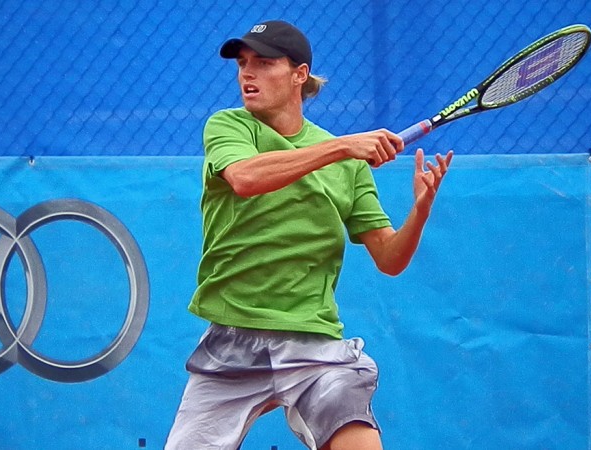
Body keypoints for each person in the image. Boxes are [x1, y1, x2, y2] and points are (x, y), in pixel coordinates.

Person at [165, 19, 453, 450]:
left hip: (312, 343)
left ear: (299, 74)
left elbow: (389, 259)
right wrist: (341, 147)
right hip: (232, 341)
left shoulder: (349, 165)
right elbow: (245, 178)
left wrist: (420, 211)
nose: (247, 73)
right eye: (243, 64)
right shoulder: (230, 126)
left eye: (264, 63)